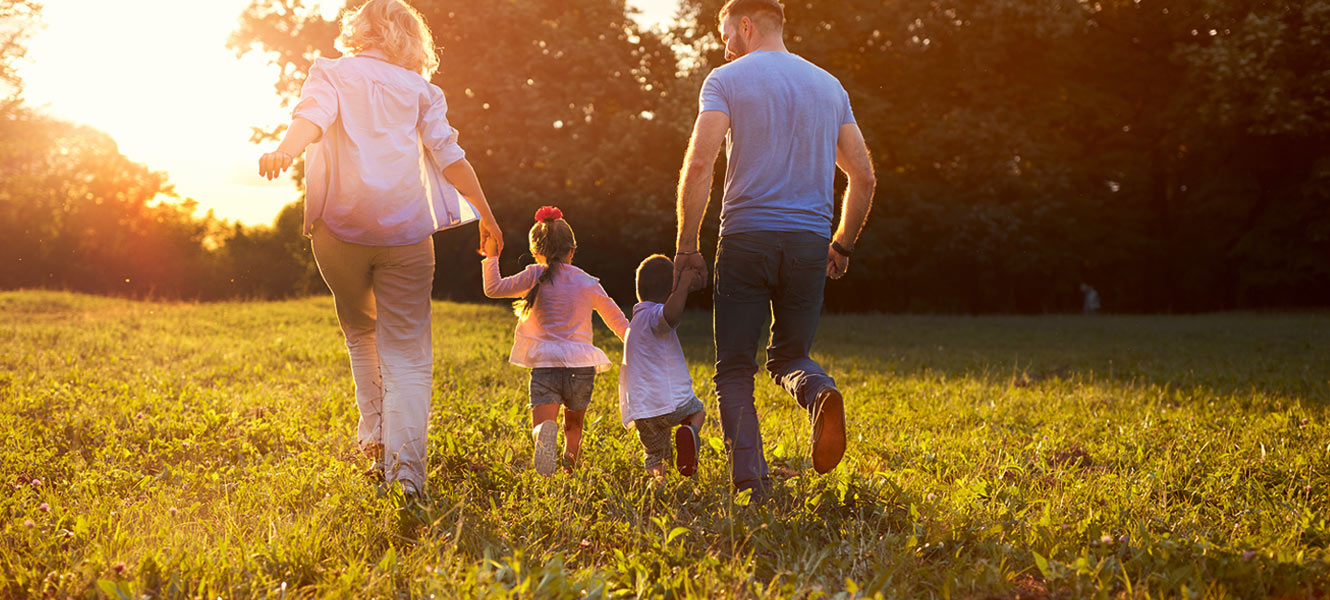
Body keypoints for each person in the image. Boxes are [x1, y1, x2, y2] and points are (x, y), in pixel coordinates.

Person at [256, 0, 504, 497]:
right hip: (407, 235)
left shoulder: (332, 72)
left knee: (361, 333)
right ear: (409, 38)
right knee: (408, 353)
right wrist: (486, 213)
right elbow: (449, 156)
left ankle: (375, 442)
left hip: (340, 232)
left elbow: (312, 117)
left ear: (359, 32)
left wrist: (286, 148)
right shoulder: (422, 90)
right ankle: (407, 475)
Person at [672, 0, 876, 499]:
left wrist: (685, 246)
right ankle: (820, 391)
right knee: (790, 357)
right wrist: (842, 245)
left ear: (746, 25)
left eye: (726, 33)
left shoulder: (727, 80)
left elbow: (700, 166)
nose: (724, 46)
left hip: (745, 239)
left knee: (735, 369)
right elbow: (864, 178)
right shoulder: (830, 87)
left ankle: (752, 484)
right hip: (810, 243)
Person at [481, 206, 629, 477]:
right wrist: (637, 344)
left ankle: (542, 437)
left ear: (536, 251)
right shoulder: (587, 282)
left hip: (545, 363)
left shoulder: (532, 275)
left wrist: (491, 256)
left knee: (543, 423)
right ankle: (570, 470)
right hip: (581, 366)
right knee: (574, 426)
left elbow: (493, 289)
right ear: (572, 250)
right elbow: (617, 320)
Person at [618, 255, 706, 478]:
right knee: (698, 411)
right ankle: (689, 431)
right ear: (671, 292)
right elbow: (670, 314)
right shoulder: (654, 314)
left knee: (654, 454)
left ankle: (657, 488)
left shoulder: (634, 324)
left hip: (642, 412)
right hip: (672, 404)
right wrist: (683, 286)